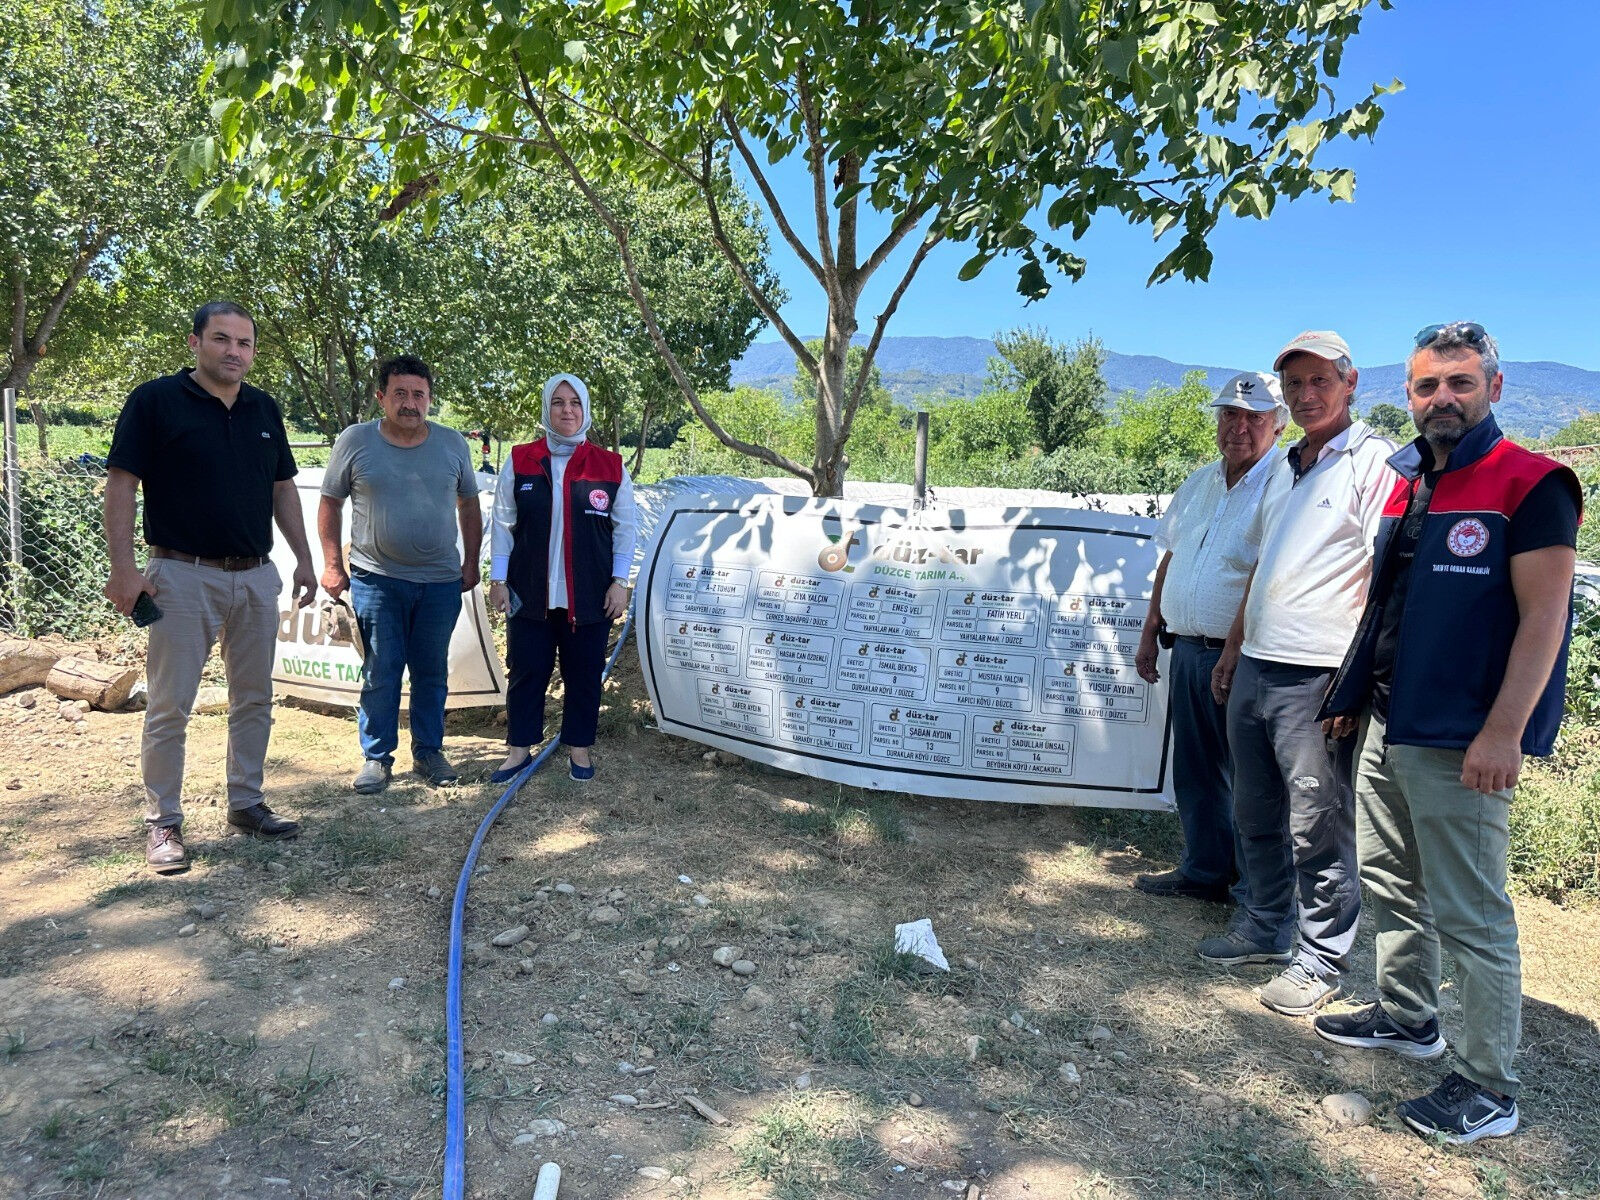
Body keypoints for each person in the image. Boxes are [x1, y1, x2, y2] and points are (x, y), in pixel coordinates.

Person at [1314, 322, 1581, 1144]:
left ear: (1493, 388)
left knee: (1472, 914)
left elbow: (1545, 621)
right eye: (1427, 385)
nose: (1443, 398)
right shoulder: (1407, 482)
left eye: (1460, 383)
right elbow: (1389, 607)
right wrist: (1355, 693)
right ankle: (1408, 1016)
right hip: (1391, 720)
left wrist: (1503, 734)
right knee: (1391, 881)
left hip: (1463, 739)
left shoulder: (1531, 483)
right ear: (1409, 394)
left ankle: (1489, 1087)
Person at [1203, 331, 1397, 1015]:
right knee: (1255, 809)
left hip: (1318, 675)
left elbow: (1383, 576)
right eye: (1295, 384)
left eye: (1320, 381)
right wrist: (1234, 648)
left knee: (1318, 821)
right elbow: (1266, 566)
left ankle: (1320, 958)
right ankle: (1263, 926)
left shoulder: (1373, 463)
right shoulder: (1287, 467)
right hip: (1258, 663)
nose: (1306, 395)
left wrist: (1355, 681)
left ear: (1351, 383)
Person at [103, 301, 317, 873]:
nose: (234, 352)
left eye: (244, 343)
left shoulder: (263, 408)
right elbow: (121, 484)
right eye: (222, 339)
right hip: (181, 574)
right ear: (195, 342)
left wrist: (304, 559)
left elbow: (283, 490)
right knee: (170, 705)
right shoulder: (155, 401)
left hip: (255, 575)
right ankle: (163, 823)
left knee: (255, 698)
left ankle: (246, 803)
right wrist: (123, 568)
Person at [1134, 372, 1287, 903]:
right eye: (1229, 415)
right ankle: (1204, 872)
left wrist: (1235, 648)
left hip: (1243, 655)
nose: (1239, 427)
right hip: (1188, 648)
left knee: (1251, 777)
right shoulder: (1200, 480)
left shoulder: (1284, 482)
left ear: (1279, 426)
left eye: (1254, 418)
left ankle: (1254, 893)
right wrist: (1152, 626)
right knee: (1196, 768)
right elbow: (1172, 556)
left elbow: (1266, 573)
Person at [318, 355, 481, 793]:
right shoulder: (355, 440)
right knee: (381, 670)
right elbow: (330, 501)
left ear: (429, 398)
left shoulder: (452, 444)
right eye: (400, 394)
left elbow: (469, 504)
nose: (410, 403)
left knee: (431, 672)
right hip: (376, 579)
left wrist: (470, 562)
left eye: (419, 395)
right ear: (381, 397)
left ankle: (429, 753)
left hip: (440, 582)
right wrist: (332, 563)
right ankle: (376, 758)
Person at [487, 375, 636, 782]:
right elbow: (503, 523)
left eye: (574, 402)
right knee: (526, 670)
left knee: (584, 674)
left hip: (589, 594)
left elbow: (625, 530)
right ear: (546, 408)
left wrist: (619, 581)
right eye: (557, 402)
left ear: (585, 409)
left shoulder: (610, 466)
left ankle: (579, 750)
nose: (567, 410)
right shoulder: (521, 459)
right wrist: (498, 579)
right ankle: (519, 750)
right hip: (528, 591)